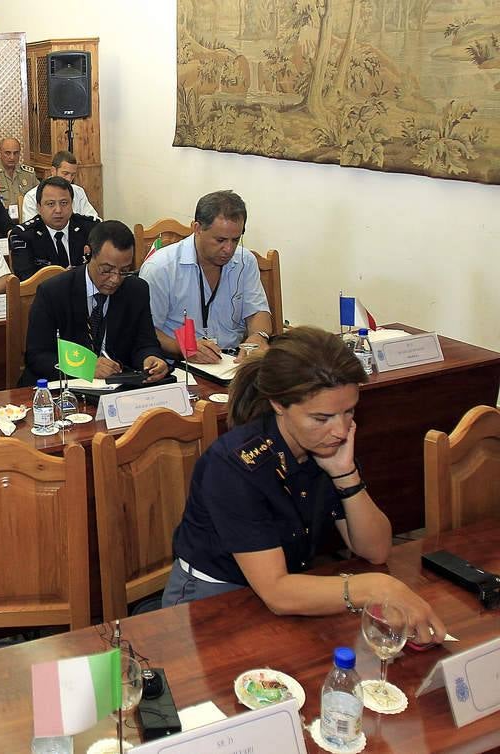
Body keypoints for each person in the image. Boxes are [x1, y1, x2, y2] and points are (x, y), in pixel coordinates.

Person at [161, 326, 447, 645]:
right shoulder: (234, 463)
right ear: (279, 404)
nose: (340, 430)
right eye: (322, 418)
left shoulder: (328, 446)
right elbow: (277, 593)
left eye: (349, 411)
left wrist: (345, 473)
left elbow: (375, 549)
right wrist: (376, 588)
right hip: (213, 598)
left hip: (293, 588)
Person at [23, 220, 168, 385]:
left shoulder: (136, 290)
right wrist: (85, 366)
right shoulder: (53, 292)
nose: (115, 279)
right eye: (106, 270)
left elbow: (145, 342)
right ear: (87, 253)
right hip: (65, 388)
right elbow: (37, 357)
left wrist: (151, 359)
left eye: (124, 271)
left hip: (118, 387)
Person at [139, 191, 272, 364]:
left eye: (235, 240)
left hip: (231, 362)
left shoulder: (245, 261)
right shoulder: (160, 268)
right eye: (220, 240)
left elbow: (257, 311)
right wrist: (183, 347)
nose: (229, 249)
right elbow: (146, 331)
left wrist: (259, 337)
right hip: (181, 365)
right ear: (197, 229)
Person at [8, 176, 99, 282]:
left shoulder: (90, 228)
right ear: (39, 207)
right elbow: (26, 279)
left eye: (64, 203)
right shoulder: (23, 235)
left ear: (72, 204)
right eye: (50, 204)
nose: (58, 210)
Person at [21, 150, 100, 222]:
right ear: (53, 171)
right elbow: (31, 230)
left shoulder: (78, 192)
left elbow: (94, 219)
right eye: (65, 173)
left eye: (72, 175)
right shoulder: (32, 197)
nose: (69, 179)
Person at [0, 137, 36, 210]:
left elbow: (38, 197)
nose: (12, 157)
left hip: (25, 215)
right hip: (0, 216)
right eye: (7, 153)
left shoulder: (29, 174)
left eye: (16, 153)